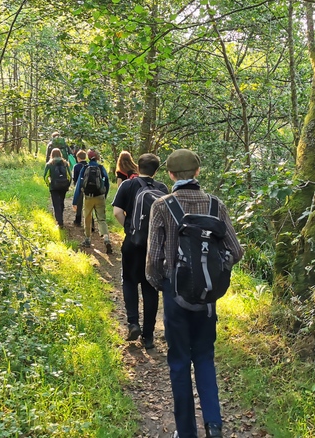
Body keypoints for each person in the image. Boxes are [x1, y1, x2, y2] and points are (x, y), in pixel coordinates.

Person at [145, 149, 243, 438]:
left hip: (174, 295)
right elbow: (236, 251)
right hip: (207, 298)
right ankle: (214, 424)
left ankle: (185, 431)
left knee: (178, 361)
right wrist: (212, 274)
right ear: (198, 172)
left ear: (171, 175)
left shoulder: (162, 206)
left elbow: (152, 260)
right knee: (204, 356)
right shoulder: (216, 205)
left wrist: (159, 283)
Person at [112, 153, 168, 349]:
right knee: (150, 287)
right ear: (156, 170)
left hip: (133, 243)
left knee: (129, 281)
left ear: (138, 167)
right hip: (155, 246)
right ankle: (149, 335)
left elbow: (117, 212)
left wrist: (129, 229)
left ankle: (133, 323)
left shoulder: (127, 185)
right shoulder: (162, 188)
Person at [72, 149, 112, 254]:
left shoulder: (85, 168)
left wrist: (75, 201)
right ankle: (106, 238)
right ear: (97, 157)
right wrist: (104, 195)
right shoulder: (101, 168)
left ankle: (88, 239)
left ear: (88, 157)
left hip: (88, 197)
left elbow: (79, 185)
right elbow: (107, 182)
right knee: (101, 219)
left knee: (88, 217)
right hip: (100, 196)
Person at [43, 148, 71, 228]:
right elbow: (70, 176)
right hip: (63, 186)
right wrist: (67, 184)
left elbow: (45, 176)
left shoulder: (49, 164)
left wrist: (49, 184)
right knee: (61, 202)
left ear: (51, 154)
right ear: (60, 154)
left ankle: (59, 221)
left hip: (54, 187)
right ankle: (60, 217)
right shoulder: (65, 163)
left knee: (56, 204)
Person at [72, 149, 89, 227]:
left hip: (79, 187)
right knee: (88, 206)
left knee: (79, 205)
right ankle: (90, 223)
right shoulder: (89, 165)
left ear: (78, 157)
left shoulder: (76, 166)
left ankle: (78, 221)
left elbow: (74, 178)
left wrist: (75, 184)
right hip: (88, 187)